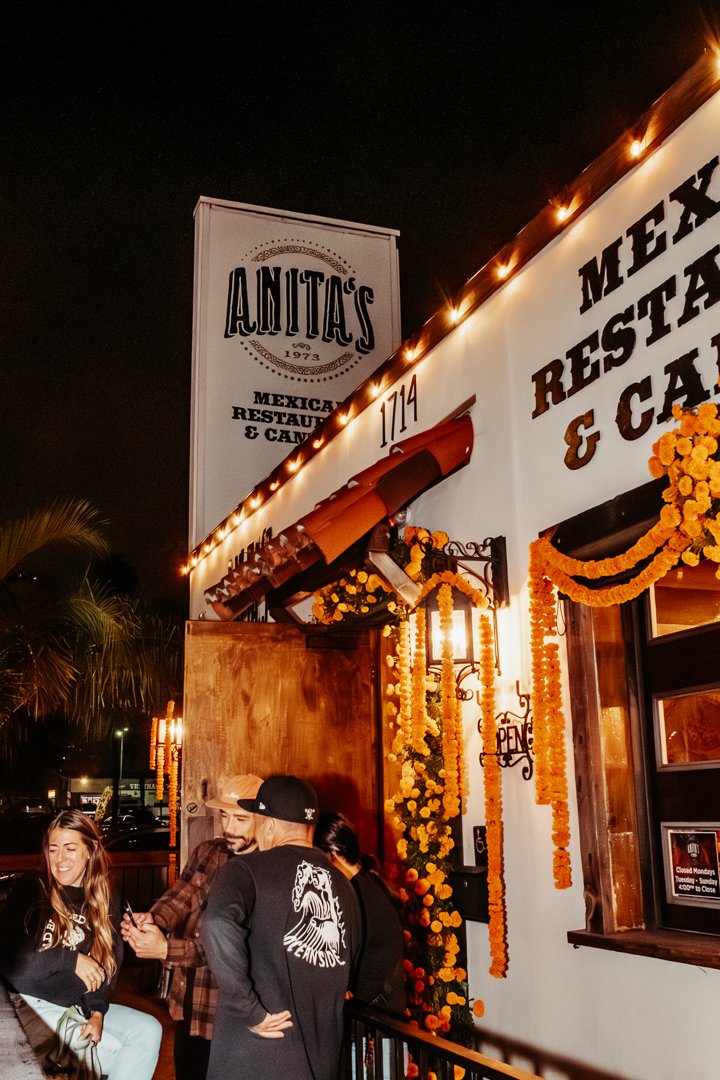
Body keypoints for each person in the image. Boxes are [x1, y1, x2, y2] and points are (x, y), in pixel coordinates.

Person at [202, 774, 363, 1080]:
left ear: (270, 825)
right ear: (311, 827)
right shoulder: (344, 885)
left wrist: (249, 1010)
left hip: (256, 1056)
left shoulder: (246, 868)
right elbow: (349, 959)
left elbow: (216, 923)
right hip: (322, 1059)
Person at [0, 808, 162, 1080]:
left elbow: (106, 966)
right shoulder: (33, 889)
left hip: (71, 1006)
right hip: (23, 1006)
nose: (59, 859)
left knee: (148, 1031)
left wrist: (96, 1011)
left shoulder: (104, 896)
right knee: (95, 1048)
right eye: (53, 850)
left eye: (70, 848)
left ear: (90, 850)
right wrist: (70, 959)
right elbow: (13, 966)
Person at [121, 773, 263, 1080]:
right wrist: (152, 920)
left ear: (263, 820)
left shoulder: (265, 870)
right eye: (225, 815)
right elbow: (181, 895)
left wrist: (164, 948)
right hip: (190, 1001)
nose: (229, 827)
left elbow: (229, 945)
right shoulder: (211, 851)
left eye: (240, 819)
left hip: (229, 1012)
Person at [314, 812, 406, 1016]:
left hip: (375, 1020)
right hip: (383, 1013)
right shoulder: (368, 882)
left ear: (334, 853)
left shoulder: (355, 894)